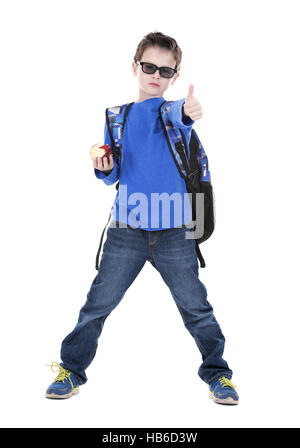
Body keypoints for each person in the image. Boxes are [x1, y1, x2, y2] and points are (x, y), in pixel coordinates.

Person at [46, 31, 239, 405]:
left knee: (196, 308)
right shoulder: (116, 117)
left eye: (166, 71)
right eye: (149, 67)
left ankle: (219, 375)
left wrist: (189, 109)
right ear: (135, 67)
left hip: (175, 232)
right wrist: (102, 166)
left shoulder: (172, 113)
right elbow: (112, 173)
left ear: (174, 77)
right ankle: (71, 370)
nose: (156, 75)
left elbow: (178, 113)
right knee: (97, 304)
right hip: (126, 231)